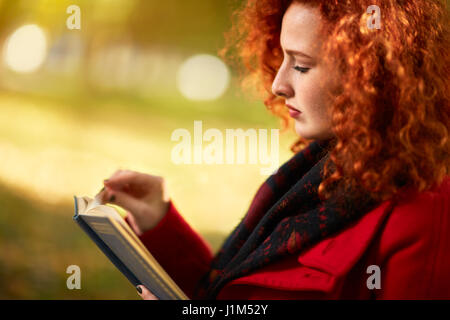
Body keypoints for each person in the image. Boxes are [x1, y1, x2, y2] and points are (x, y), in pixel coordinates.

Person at [99, 0, 450, 299]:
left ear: (369, 73)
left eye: (301, 64)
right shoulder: (317, 170)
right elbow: (231, 291)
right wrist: (160, 222)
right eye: (281, 57)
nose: (278, 84)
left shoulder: (427, 212)